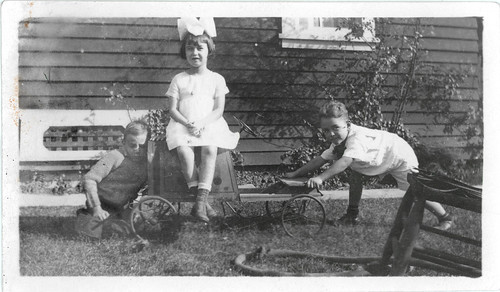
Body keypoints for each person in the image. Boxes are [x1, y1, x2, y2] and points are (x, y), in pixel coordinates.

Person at [285, 101, 453, 230]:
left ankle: (445, 218)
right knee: (355, 176)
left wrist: (321, 178)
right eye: (326, 130)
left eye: (335, 128)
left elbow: (344, 162)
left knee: (414, 191)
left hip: (398, 155)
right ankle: (351, 215)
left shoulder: (356, 140)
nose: (331, 134)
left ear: (348, 125)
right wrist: (296, 173)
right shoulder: (339, 140)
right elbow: (320, 159)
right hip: (377, 159)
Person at [165, 17, 239, 223]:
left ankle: (199, 203)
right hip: (183, 124)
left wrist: (202, 123)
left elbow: (218, 109)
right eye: (190, 48)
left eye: (200, 48)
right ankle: (202, 204)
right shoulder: (179, 79)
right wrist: (187, 122)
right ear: (184, 52)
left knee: (210, 147)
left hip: (209, 122)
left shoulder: (216, 79)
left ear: (209, 51)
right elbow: (172, 109)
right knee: (183, 151)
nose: (195, 53)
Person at [81, 120, 149, 222]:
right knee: (94, 229)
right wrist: (96, 208)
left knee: (128, 230)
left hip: (122, 207)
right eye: (132, 145)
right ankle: (88, 215)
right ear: (123, 142)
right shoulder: (115, 156)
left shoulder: (145, 163)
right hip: (103, 204)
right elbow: (89, 179)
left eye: (142, 146)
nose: (137, 149)